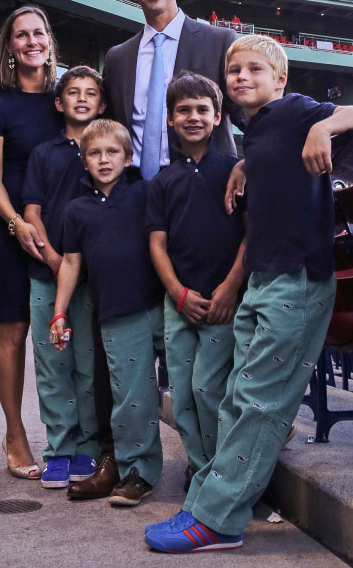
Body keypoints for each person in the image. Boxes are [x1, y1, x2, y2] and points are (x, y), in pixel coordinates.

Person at [145, 34, 353, 552]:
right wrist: (249, 165)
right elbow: (275, 162)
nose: (242, 76)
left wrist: (324, 123)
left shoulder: (295, 112)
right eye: (234, 71)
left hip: (296, 277)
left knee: (256, 401)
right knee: (236, 397)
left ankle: (218, 521)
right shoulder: (260, 130)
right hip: (265, 279)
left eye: (254, 69)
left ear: (280, 79)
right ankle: (209, 501)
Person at [51, 120, 164, 507]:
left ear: (128, 157)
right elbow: (70, 262)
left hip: (162, 303)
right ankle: (137, 472)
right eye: (94, 153)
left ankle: (206, 467)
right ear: (84, 161)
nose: (104, 159)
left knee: (190, 388)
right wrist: (60, 312)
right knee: (131, 398)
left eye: (112, 152)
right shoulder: (76, 210)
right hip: (117, 312)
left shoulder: (146, 193)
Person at [0, 5, 63, 480]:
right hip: (11, 232)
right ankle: (15, 433)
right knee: (14, 331)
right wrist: (15, 223)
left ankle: (72, 435)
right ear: (9, 46)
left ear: (49, 40)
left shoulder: (63, 100)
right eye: (22, 35)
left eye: (39, 33)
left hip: (59, 235)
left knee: (66, 333)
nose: (32, 41)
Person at [145, 72, 246, 488]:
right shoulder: (162, 180)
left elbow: (249, 236)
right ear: (170, 118)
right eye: (183, 110)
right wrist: (177, 292)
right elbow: (156, 243)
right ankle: (200, 467)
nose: (193, 117)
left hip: (223, 299)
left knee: (209, 389)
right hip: (180, 301)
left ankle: (223, 470)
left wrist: (230, 288)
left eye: (202, 109)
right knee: (182, 394)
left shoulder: (235, 171)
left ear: (218, 115)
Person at [22, 66, 106, 489]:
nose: (81, 99)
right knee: (54, 364)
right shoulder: (44, 153)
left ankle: (88, 447)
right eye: (73, 93)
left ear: (102, 103)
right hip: (46, 276)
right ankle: (59, 448)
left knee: (88, 364)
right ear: (59, 103)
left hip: (92, 282)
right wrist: (55, 260)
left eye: (91, 93)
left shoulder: (108, 151)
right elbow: (32, 212)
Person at [103, 0, 242, 179]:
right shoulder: (117, 57)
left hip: (204, 182)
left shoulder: (219, 41)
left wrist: (249, 162)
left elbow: (246, 114)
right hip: (134, 185)